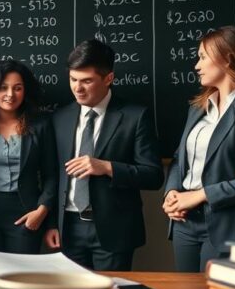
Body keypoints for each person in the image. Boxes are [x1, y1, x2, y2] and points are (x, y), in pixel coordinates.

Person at [163, 25, 235, 272]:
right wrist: (171, 192)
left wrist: (201, 194)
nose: (197, 65)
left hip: (230, 226)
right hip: (185, 224)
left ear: (227, 59)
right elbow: (178, 160)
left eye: (203, 57)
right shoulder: (197, 108)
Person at [43, 39, 163, 270]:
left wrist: (106, 167)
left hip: (113, 229)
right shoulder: (59, 118)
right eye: (73, 79)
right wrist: (51, 223)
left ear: (109, 78)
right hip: (68, 227)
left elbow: (153, 175)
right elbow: (52, 174)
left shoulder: (135, 117)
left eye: (87, 81)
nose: (78, 88)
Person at [0, 60, 56, 254]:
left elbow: (52, 174)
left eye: (18, 88)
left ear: (26, 91)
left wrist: (42, 211)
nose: (10, 95)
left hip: (27, 212)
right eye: (3, 88)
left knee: (22, 276)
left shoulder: (40, 126)